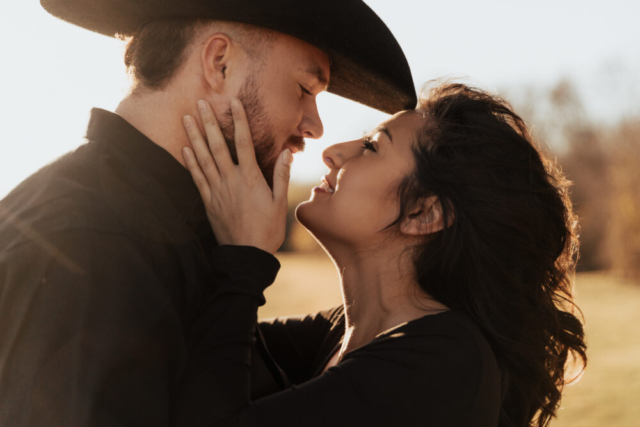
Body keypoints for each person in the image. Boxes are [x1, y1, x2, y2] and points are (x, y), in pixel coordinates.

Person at [0, 1, 416, 425]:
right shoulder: (91, 245)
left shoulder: (165, 226)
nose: (314, 127)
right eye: (305, 90)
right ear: (220, 64)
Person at [176, 82, 588, 427]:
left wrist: (245, 257)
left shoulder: (444, 362)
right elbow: (194, 348)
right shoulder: (344, 331)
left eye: (372, 147)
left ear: (423, 212)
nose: (333, 151)